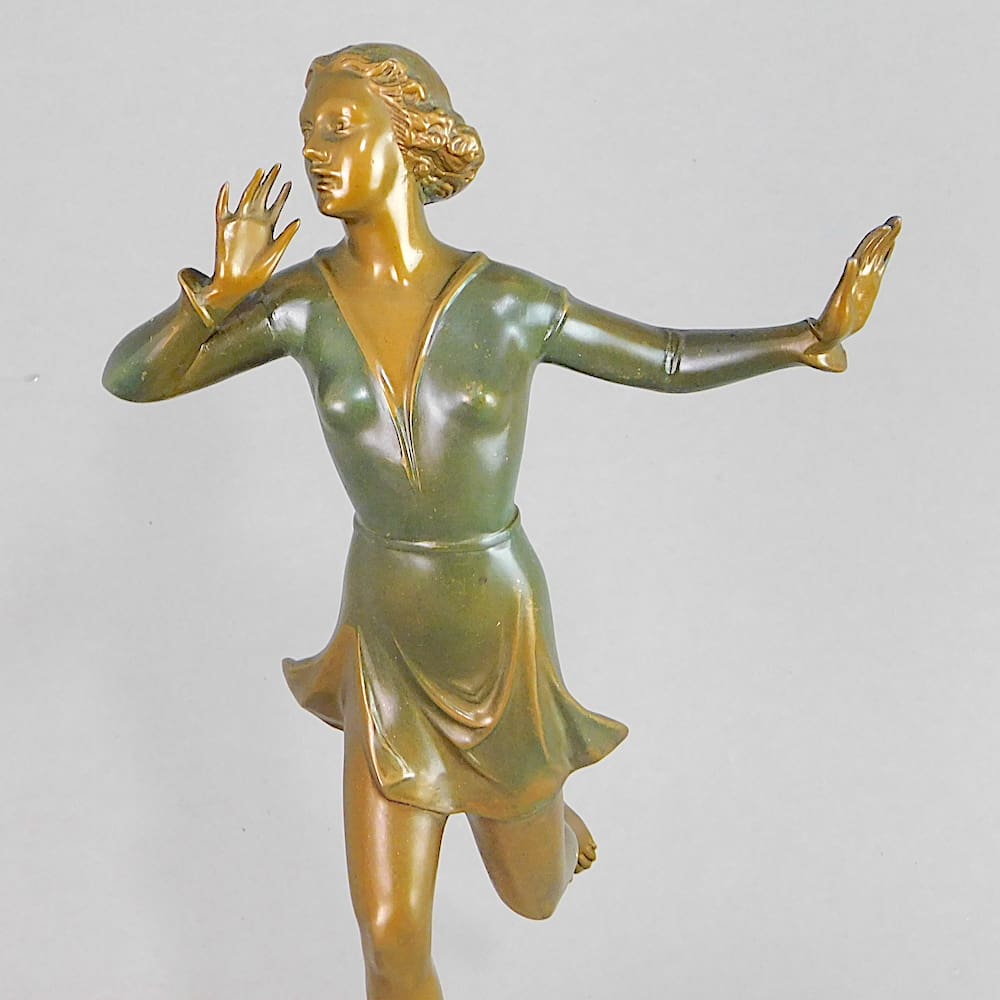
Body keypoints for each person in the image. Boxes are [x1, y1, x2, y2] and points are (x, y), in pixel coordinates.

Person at [103, 42, 900, 1000]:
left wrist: (809, 336)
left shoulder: (510, 302)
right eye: (307, 131)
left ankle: (550, 824)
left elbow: (665, 359)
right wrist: (214, 301)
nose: (315, 150)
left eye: (339, 127)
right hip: (384, 629)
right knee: (390, 940)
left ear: (409, 138)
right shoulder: (300, 304)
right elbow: (133, 380)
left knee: (533, 897)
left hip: (496, 627)